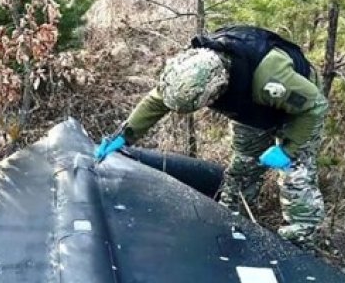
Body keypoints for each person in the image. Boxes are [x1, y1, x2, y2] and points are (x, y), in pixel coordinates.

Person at [95, 25, 327, 247]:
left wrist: (288, 149)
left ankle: (299, 241)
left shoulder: (271, 79)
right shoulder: (190, 71)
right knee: (244, 166)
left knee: (296, 177)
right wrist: (125, 135)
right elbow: (157, 101)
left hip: (299, 113)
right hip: (253, 110)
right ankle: (234, 223)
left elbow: (314, 107)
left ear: (216, 89)